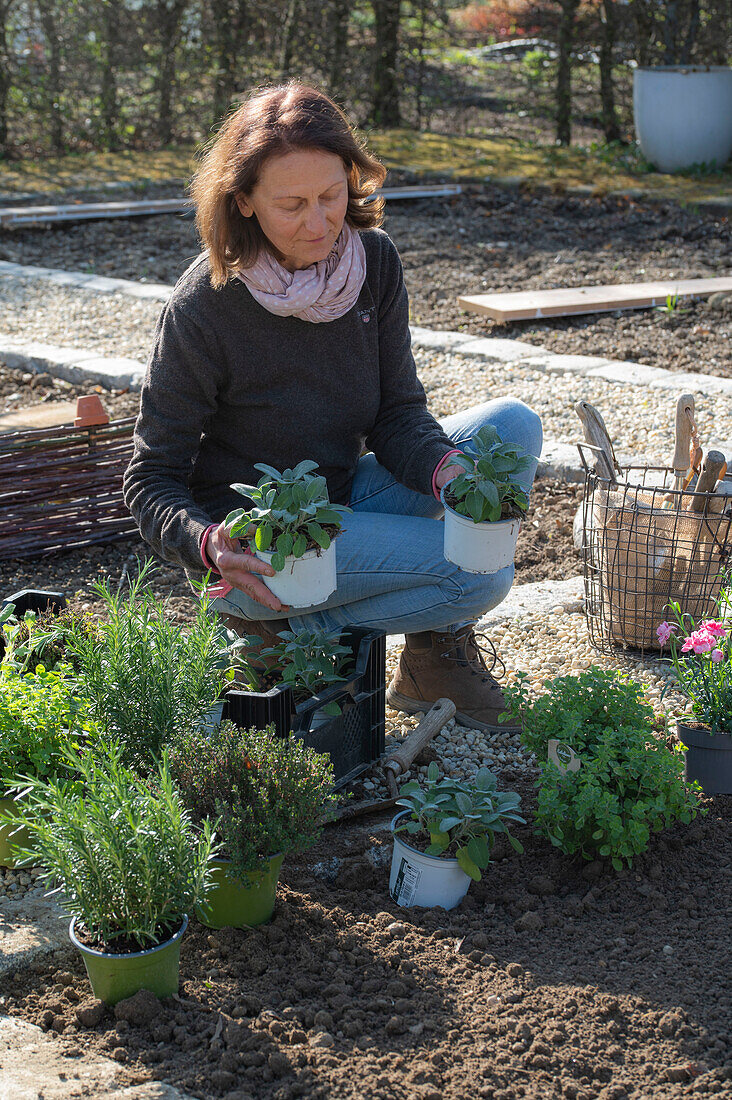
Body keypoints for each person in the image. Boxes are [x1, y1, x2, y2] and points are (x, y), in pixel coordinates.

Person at [123, 82, 542, 732]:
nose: (318, 223)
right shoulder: (205, 306)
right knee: (479, 575)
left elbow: (398, 414)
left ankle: (432, 657)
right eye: (291, 204)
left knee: (513, 426)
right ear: (244, 201)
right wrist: (208, 543)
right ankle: (285, 633)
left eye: (331, 196)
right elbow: (149, 479)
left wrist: (445, 472)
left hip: (341, 501)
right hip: (260, 550)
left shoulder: (371, 262)